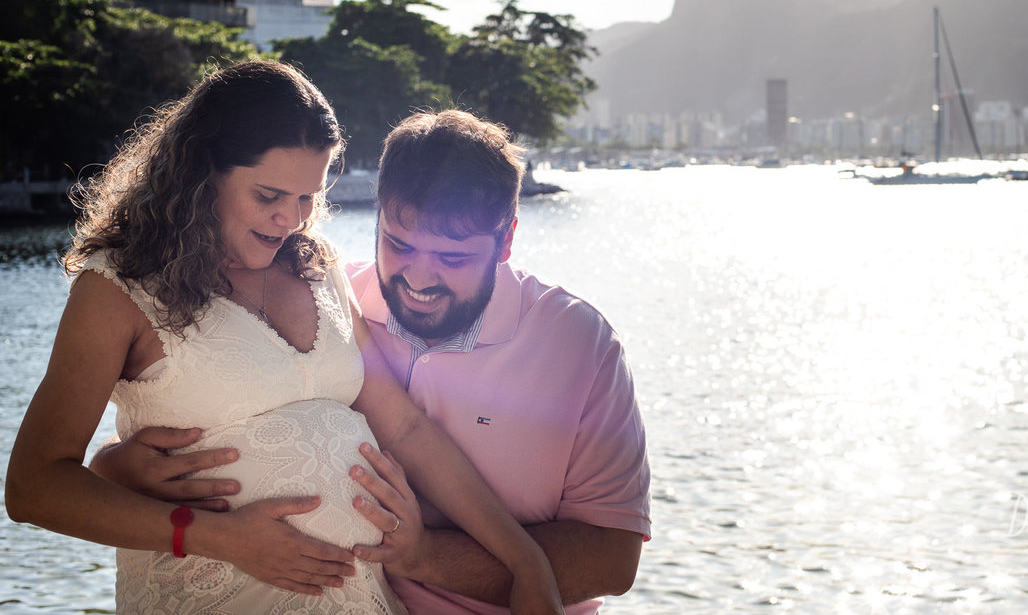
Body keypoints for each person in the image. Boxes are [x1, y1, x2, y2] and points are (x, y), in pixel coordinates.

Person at [5, 62, 562, 615]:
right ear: (202, 172)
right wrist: (220, 537)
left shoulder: (318, 271)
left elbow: (409, 427)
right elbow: (34, 486)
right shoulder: (118, 288)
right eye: (269, 194)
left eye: (306, 198)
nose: (289, 220)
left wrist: (524, 560)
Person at [97, 109, 653, 614]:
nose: (418, 278)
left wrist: (425, 556)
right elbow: (231, 409)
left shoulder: (579, 346)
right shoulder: (333, 302)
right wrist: (113, 468)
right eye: (399, 243)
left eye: (453, 258)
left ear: (506, 241)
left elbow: (612, 560)